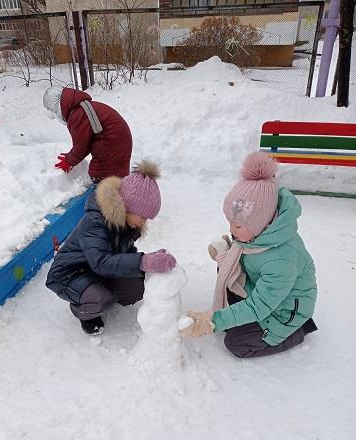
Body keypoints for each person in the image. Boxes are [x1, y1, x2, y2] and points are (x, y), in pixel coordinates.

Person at [181, 152, 318, 358]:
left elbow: (260, 305)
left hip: (284, 311)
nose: (232, 230)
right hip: (263, 291)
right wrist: (226, 250)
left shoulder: (281, 260)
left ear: (262, 224)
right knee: (227, 267)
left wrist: (213, 320)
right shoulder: (255, 236)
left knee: (237, 343)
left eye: (237, 225)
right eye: (230, 223)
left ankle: (296, 333)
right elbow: (242, 255)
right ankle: (239, 317)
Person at [46, 160, 177, 335]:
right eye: (143, 217)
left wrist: (148, 263)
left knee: (136, 285)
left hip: (95, 270)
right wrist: (143, 261)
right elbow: (101, 262)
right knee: (100, 298)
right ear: (128, 206)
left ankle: (100, 292)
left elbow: (123, 252)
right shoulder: (95, 222)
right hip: (69, 273)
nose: (144, 222)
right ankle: (83, 311)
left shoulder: (127, 224)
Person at [43, 86, 132, 182]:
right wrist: (70, 157)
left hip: (112, 143)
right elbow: (85, 143)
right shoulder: (81, 108)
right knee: (108, 176)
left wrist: (68, 161)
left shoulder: (78, 115)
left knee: (101, 176)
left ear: (58, 107)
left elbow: (81, 148)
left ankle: (104, 191)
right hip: (117, 141)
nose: (56, 118)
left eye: (54, 113)